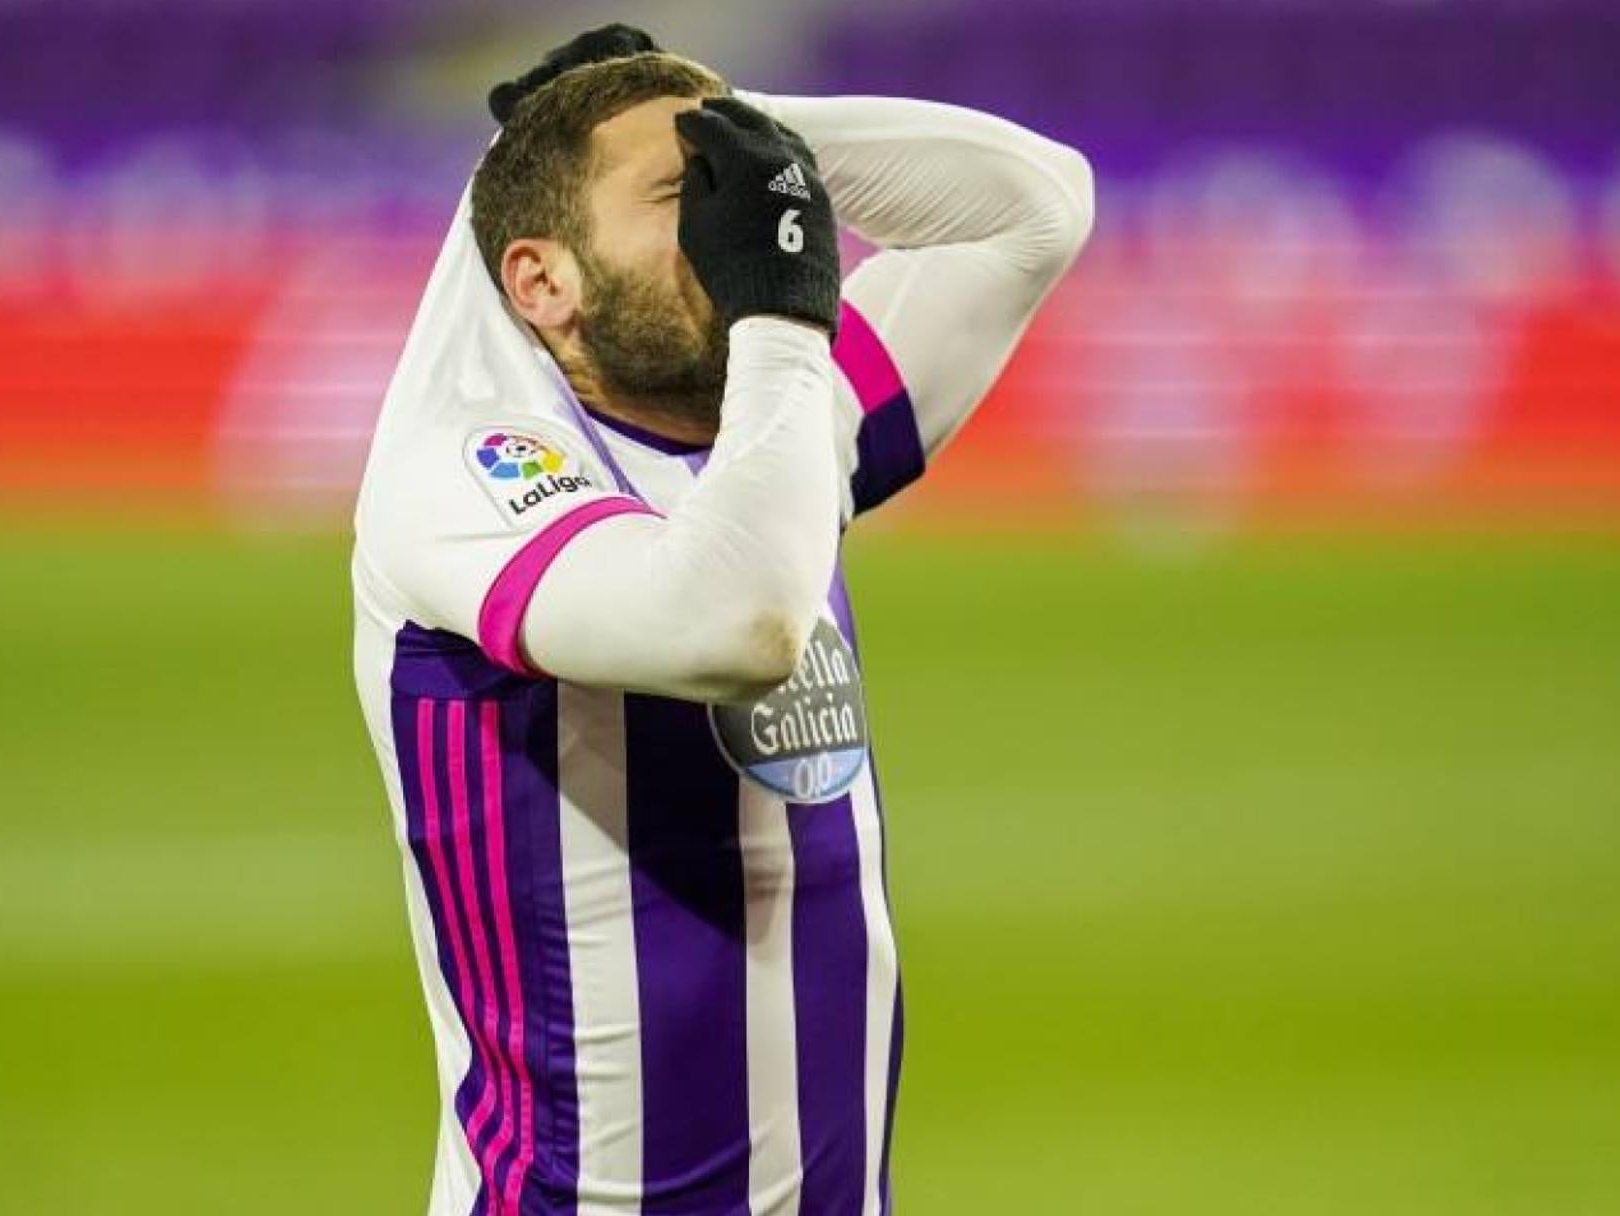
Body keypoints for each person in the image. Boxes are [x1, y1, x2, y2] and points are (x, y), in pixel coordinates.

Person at [351, 25, 1094, 1216]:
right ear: (542, 281)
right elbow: (736, 624)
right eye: (678, 193)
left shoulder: (775, 432)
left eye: (737, 185)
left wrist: (735, 120)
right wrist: (786, 316)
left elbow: (1037, 205)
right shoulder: (469, 474)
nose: (735, 217)